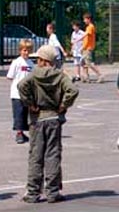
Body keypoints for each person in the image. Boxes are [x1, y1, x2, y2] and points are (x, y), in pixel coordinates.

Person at [18, 45, 79, 204]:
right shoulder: (59, 76)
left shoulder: (34, 74)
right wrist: (63, 105)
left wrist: (30, 103)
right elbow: (73, 90)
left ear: (42, 60)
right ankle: (52, 192)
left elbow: (21, 85)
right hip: (53, 117)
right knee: (52, 154)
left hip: (37, 119)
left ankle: (32, 192)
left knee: (36, 156)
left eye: (38, 59)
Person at [6, 39, 34, 144]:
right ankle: (18, 133)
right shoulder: (16, 62)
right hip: (16, 93)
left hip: (27, 94)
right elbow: (9, 76)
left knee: (26, 113)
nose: (26, 52)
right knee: (19, 113)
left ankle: (23, 133)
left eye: (28, 50)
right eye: (24, 50)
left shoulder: (31, 63)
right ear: (20, 50)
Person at [77, 13, 103, 83]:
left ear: (89, 19)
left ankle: (100, 75)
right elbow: (86, 39)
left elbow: (85, 35)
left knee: (88, 63)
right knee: (83, 62)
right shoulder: (88, 27)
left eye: (85, 19)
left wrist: (77, 40)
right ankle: (86, 77)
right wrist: (82, 47)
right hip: (85, 48)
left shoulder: (91, 27)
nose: (84, 21)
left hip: (88, 48)